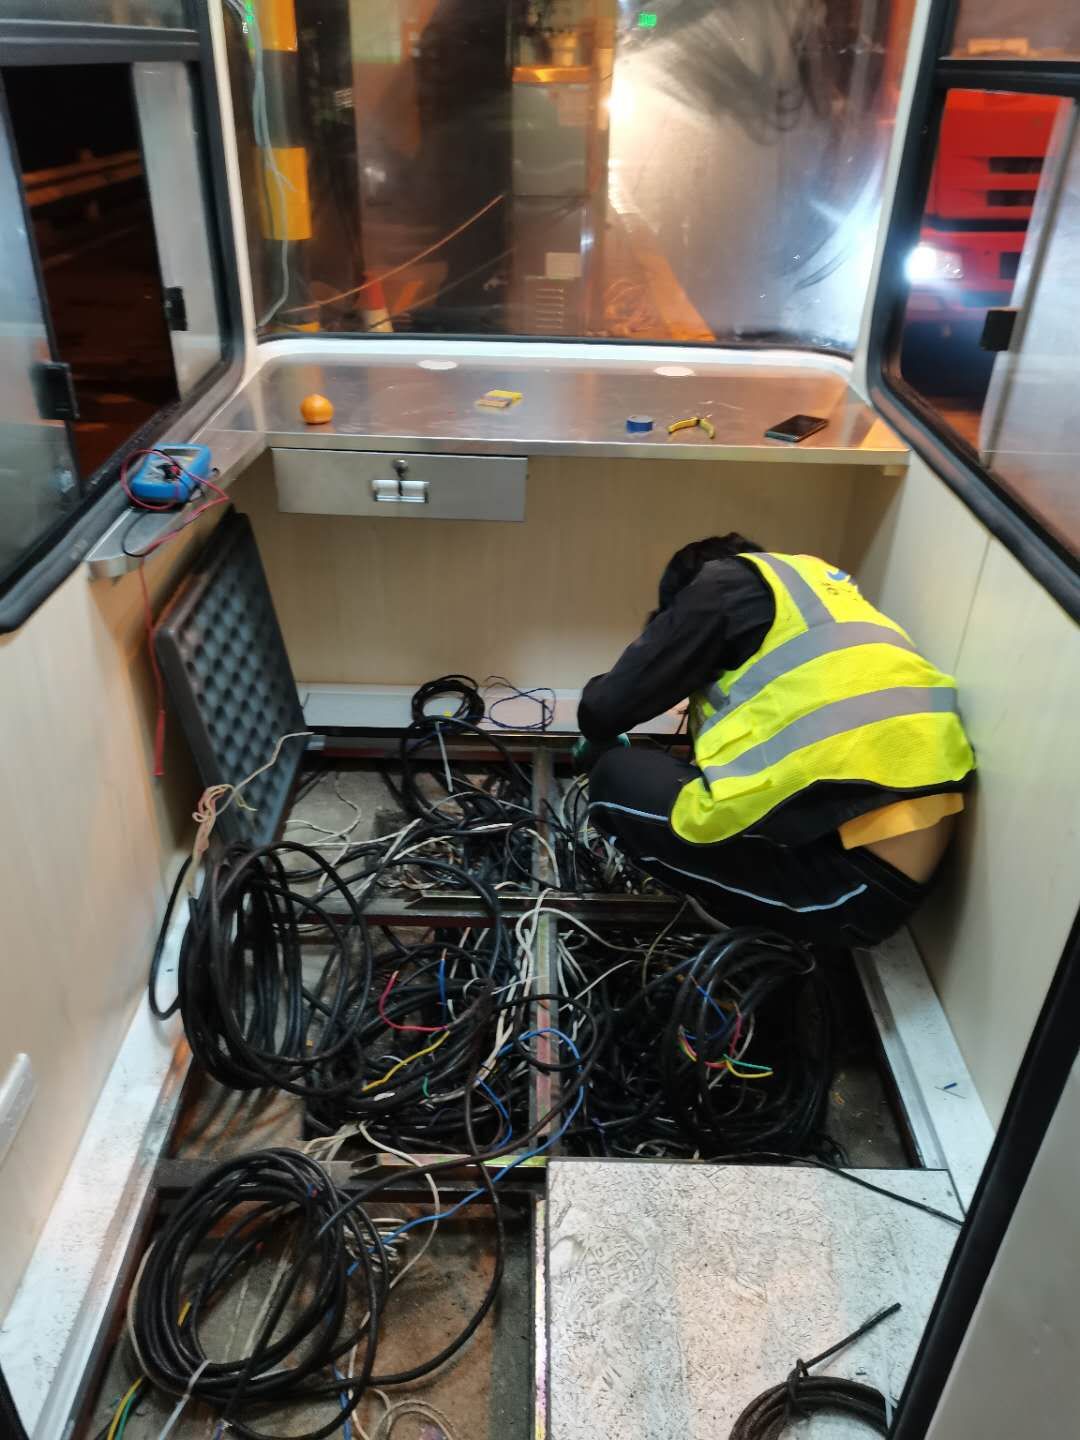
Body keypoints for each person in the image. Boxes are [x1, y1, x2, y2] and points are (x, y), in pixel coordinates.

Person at [574, 535, 975, 946]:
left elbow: (602, 711)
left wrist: (602, 745)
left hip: (846, 886)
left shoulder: (718, 584)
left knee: (615, 776)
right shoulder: (823, 590)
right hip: (892, 871)